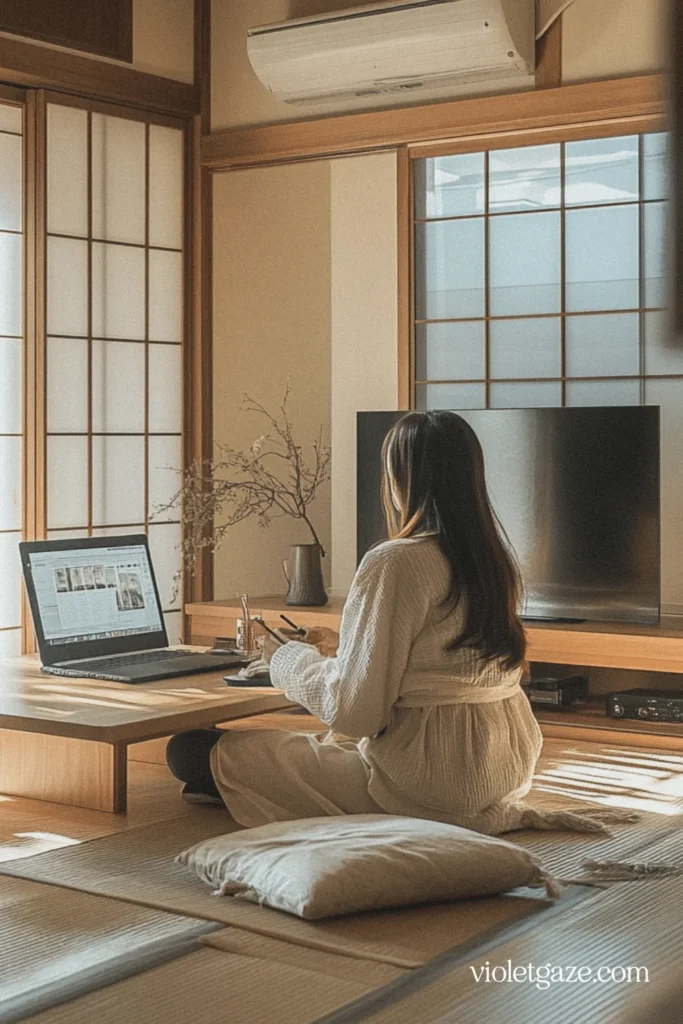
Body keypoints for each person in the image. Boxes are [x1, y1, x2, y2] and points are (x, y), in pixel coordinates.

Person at [165, 411, 607, 835]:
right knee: (304, 748)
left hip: (425, 785)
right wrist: (344, 647)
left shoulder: (395, 561)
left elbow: (357, 713)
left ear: (401, 479)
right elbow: (438, 657)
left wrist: (285, 658)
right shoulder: (493, 559)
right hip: (503, 770)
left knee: (188, 750)